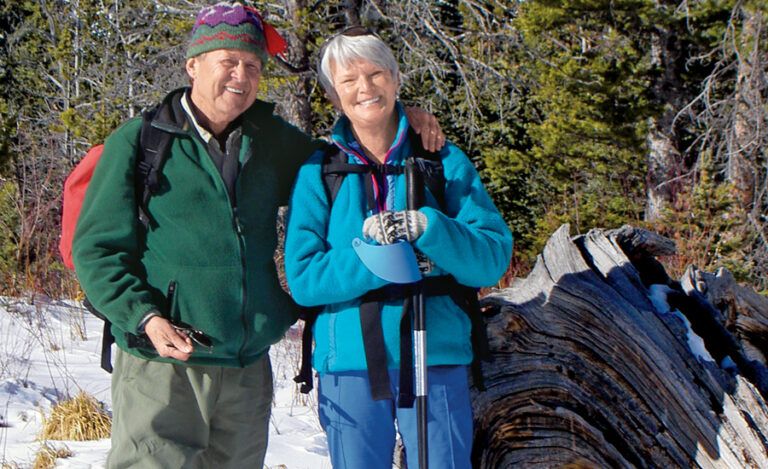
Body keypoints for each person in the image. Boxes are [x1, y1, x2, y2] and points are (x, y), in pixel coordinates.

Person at [72, 3, 443, 467]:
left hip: (246, 366)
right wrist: (144, 317)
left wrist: (400, 113)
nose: (241, 76)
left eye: (251, 66)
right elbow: (96, 250)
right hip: (162, 364)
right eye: (227, 62)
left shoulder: (273, 141)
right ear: (193, 65)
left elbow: (347, 159)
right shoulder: (142, 140)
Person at [284, 29, 513, 469]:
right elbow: (304, 279)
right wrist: (380, 257)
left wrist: (430, 228)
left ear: (395, 78)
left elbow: (491, 258)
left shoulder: (442, 161)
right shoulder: (320, 172)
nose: (365, 88)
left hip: (435, 353)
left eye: (375, 74)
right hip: (348, 362)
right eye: (349, 80)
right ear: (334, 95)